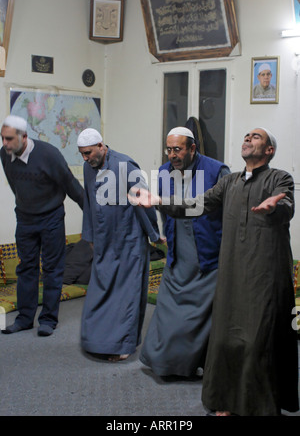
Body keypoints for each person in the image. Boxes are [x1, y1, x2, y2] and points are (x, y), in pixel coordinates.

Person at [129, 127, 299, 416]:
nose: (247, 138)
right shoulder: (229, 182)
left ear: (269, 150)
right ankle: (227, 402)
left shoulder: (279, 178)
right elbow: (196, 206)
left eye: (256, 137)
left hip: (265, 274)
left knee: (257, 338)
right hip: (232, 271)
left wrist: (275, 204)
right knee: (225, 337)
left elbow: (287, 204)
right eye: (246, 136)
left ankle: (258, 406)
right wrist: (158, 202)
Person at [139, 126, 230, 377]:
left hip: (207, 251)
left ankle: (192, 365)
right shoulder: (163, 172)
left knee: (198, 317)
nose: (172, 155)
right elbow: (163, 206)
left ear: (192, 148)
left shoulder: (217, 171)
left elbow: (227, 212)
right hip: (177, 250)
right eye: (168, 149)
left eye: (177, 149)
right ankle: (164, 362)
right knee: (168, 309)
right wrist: (165, 232)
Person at [77, 128, 161, 362]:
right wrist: (90, 236)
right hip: (104, 239)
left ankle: (123, 345)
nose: (85, 158)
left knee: (127, 294)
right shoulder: (88, 167)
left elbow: (144, 201)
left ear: (101, 146)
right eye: (82, 154)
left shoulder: (125, 165)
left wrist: (154, 234)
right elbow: (89, 203)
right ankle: (97, 340)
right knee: (100, 291)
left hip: (128, 239)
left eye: (89, 153)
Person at [1, 115, 84, 336]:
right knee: (26, 269)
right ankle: (25, 319)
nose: (5, 144)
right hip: (25, 219)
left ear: (24, 137)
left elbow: (72, 186)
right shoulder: (5, 154)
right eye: (2, 138)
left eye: (9, 139)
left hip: (51, 218)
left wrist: (94, 216)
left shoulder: (48, 154)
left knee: (52, 269)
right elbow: (15, 184)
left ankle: (48, 319)